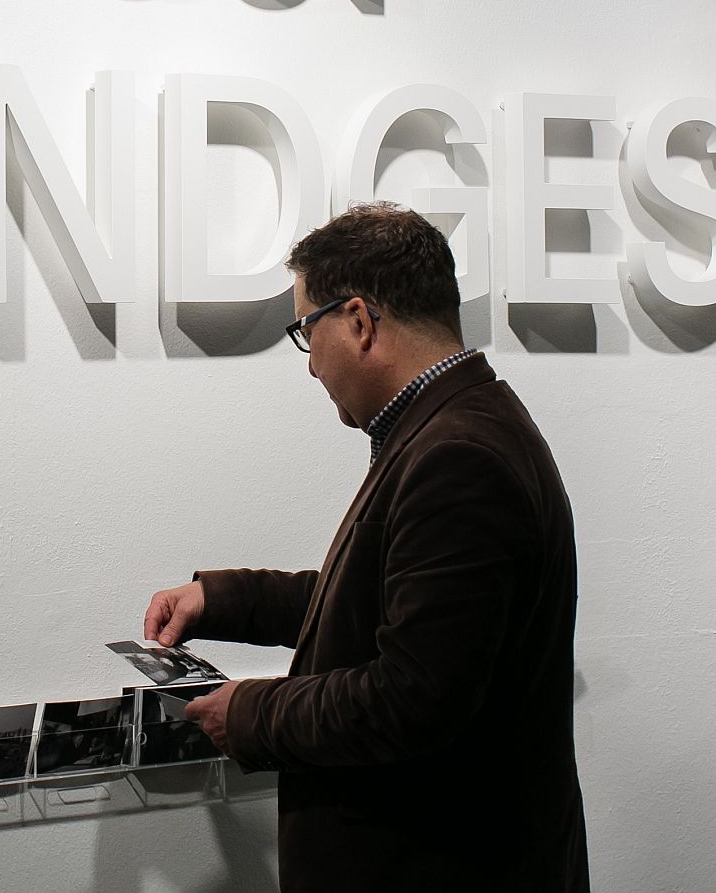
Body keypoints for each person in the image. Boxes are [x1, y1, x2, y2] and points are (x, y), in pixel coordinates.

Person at [143, 202, 589, 891]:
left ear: (357, 321)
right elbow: (378, 605)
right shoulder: (454, 426)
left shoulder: (458, 454)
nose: (311, 364)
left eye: (304, 330)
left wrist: (250, 713)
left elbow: (413, 696)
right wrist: (224, 599)